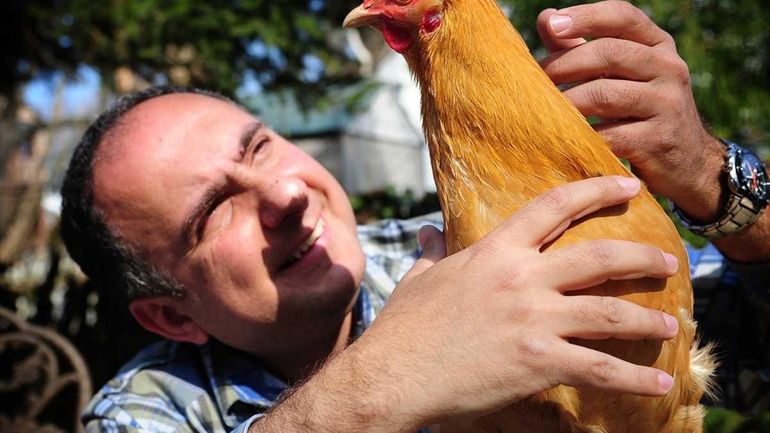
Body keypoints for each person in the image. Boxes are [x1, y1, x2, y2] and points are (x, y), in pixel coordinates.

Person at [60, 2, 768, 432]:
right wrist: (382, 382)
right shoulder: (149, 408)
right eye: (213, 211)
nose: (285, 196)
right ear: (173, 319)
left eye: (262, 147)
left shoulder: (489, 244)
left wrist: (719, 185)